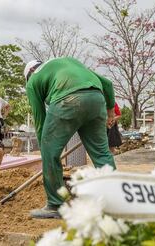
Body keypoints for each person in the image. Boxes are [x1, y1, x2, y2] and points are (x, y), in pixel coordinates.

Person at [24, 57, 116, 219]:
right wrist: (110, 112)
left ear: (29, 73)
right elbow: (107, 84)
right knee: (101, 153)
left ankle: (55, 205)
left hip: (67, 100)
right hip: (96, 99)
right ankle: (115, 201)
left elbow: (40, 121)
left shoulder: (32, 81)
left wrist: (47, 151)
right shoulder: (67, 62)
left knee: (49, 150)